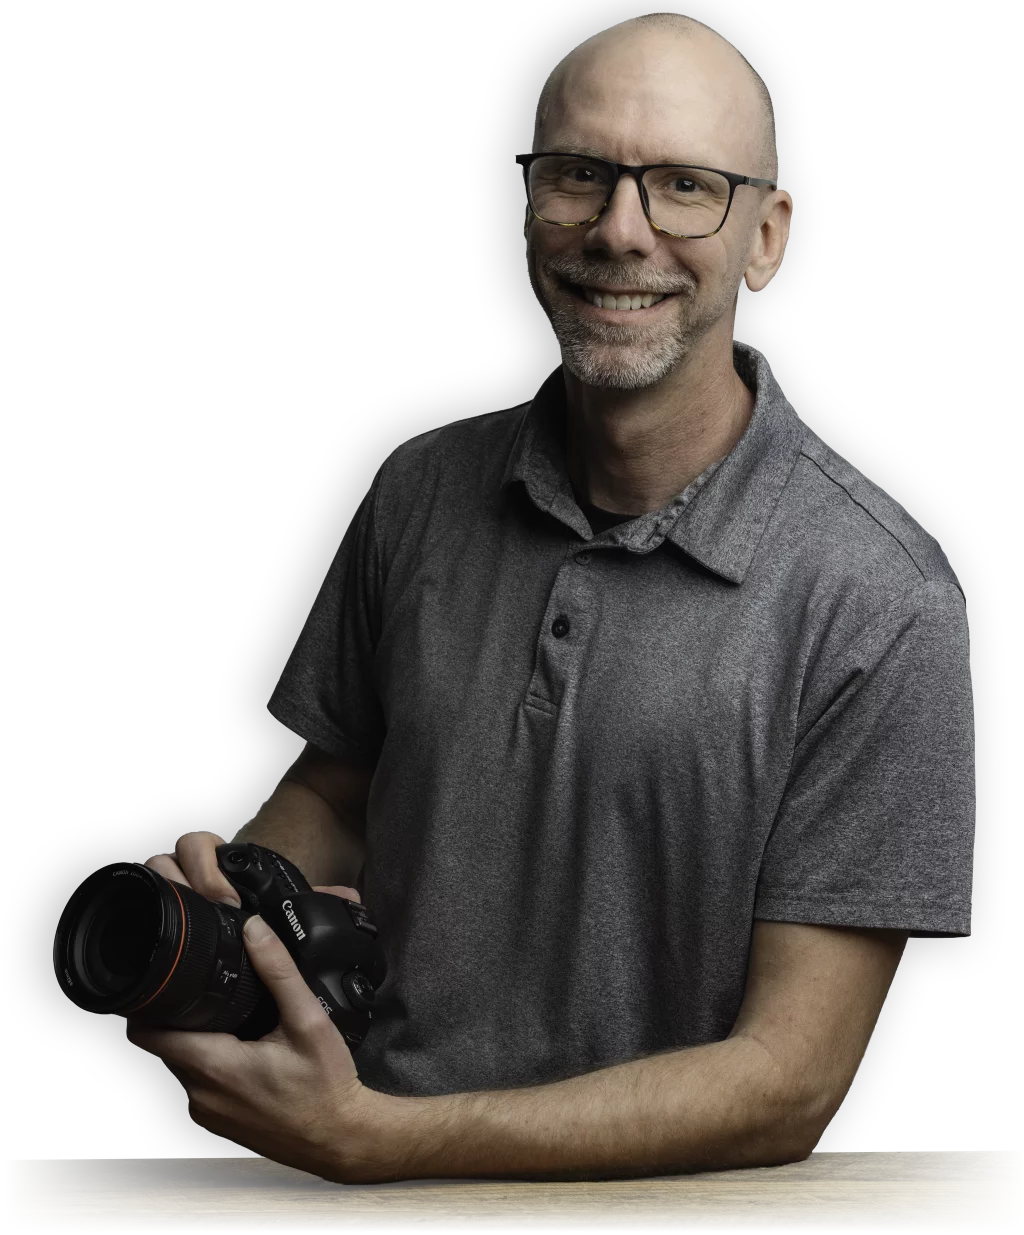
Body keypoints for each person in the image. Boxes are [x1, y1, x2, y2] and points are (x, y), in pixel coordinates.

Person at [151, 12, 974, 1182]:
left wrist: (382, 1140)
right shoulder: (418, 488)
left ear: (766, 237)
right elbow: (336, 790)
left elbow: (787, 1081)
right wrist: (223, 914)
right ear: (529, 200)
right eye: (578, 175)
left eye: (685, 185)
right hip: (342, 1207)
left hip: (671, 1228)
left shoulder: (880, 599)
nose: (619, 230)